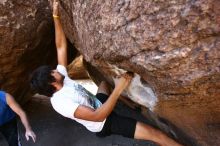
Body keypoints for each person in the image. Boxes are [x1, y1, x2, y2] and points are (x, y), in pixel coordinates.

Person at [30, 1, 182, 146]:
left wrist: (56, 16)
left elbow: (61, 47)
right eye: (53, 73)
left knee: (103, 84)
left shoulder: (61, 78)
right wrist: (119, 89)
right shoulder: (61, 103)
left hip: (98, 103)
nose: (56, 70)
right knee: (156, 134)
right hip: (104, 122)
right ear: (52, 83)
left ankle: (128, 104)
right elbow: (98, 116)